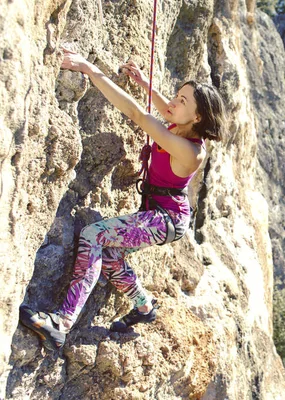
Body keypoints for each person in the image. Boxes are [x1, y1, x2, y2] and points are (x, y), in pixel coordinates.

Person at [19, 48, 227, 352]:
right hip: (158, 213)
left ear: (198, 117)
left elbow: (137, 115)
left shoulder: (191, 150)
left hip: (166, 220)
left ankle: (61, 324)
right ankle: (144, 307)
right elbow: (166, 108)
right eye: (176, 95)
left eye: (182, 100)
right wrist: (144, 84)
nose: (172, 102)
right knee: (112, 258)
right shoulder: (181, 123)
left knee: (94, 235)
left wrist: (90, 70)